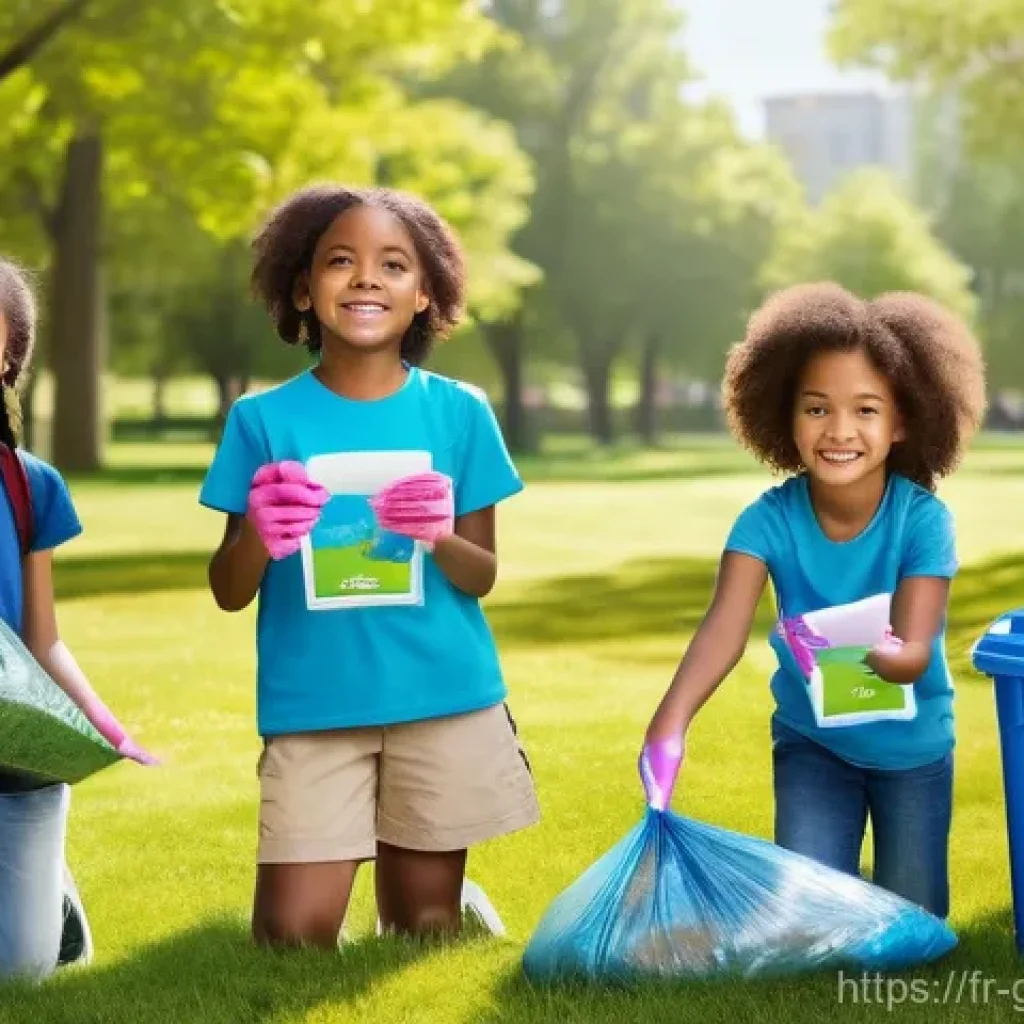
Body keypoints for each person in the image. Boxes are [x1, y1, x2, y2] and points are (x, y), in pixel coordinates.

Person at [199, 184, 539, 948]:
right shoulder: (262, 420)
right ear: (302, 289)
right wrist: (259, 532)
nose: (365, 279)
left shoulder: (459, 412)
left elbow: (481, 575)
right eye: (340, 262)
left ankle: (454, 903)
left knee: (424, 929)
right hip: (314, 704)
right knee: (290, 940)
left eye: (392, 265)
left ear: (423, 294)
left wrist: (438, 536)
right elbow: (228, 589)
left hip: (439, 696)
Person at [641, 282, 986, 918]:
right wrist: (671, 720)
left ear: (902, 421)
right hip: (814, 746)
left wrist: (892, 657)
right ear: (786, 415)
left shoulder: (922, 521)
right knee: (810, 919)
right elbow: (723, 628)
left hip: (912, 751)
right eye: (817, 408)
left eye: (866, 410)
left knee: (914, 922)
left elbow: (916, 645)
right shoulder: (766, 521)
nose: (839, 431)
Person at [0, 258, 102, 977]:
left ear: (7, 360)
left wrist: (100, 725)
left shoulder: (30, 485)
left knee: (21, 973)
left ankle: (55, 902)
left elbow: (44, 639)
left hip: (15, 757)